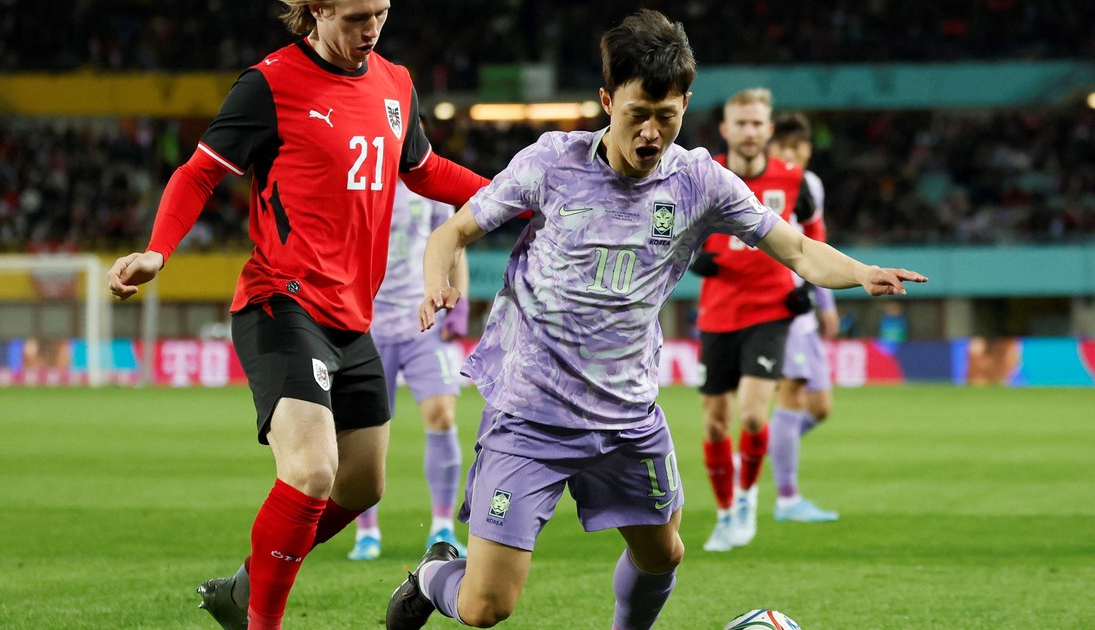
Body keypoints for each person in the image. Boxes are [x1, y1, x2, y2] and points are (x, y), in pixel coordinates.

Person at [384, 10, 925, 629]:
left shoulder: (699, 181)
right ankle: (432, 575)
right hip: (530, 413)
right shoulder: (551, 162)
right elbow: (451, 232)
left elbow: (797, 249)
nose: (650, 133)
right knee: (485, 607)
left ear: (685, 105)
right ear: (606, 101)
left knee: (662, 553)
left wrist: (860, 271)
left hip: (627, 416)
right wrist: (437, 283)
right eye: (636, 114)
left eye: (666, 117)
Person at [106, 1, 488, 629]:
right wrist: (157, 251)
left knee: (362, 485)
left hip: (351, 317)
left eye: (381, 13)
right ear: (317, 9)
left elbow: (424, 172)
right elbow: (200, 174)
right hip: (280, 301)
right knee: (311, 470)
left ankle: (243, 590)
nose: (372, 29)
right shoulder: (270, 84)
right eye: (357, 17)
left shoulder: (396, 84)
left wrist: (510, 194)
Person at [688, 87, 819, 552]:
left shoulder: (794, 179)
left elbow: (813, 231)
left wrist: (808, 284)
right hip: (718, 310)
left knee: (751, 414)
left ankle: (746, 497)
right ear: (726, 129)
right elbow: (674, 225)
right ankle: (724, 512)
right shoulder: (705, 176)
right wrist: (693, 257)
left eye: (757, 123)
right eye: (741, 123)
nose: (749, 131)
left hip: (771, 308)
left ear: (769, 129)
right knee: (715, 423)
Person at [348, 178, 470, 561]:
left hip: (426, 319)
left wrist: (460, 304)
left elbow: (455, 244)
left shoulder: (429, 183)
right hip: (367, 324)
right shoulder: (361, 177)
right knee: (363, 432)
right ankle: (366, 531)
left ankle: (442, 526)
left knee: (442, 414)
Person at [766, 111, 841, 523]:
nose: (791, 155)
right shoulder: (763, 184)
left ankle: (759, 452)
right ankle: (788, 499)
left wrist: (826, 303)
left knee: (821, 406)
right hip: (780, 303)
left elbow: (816, 245)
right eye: (784, 147)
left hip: (806, 306)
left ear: (809, 149)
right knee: (792, 393)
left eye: (798, 147)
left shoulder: (811, 185)